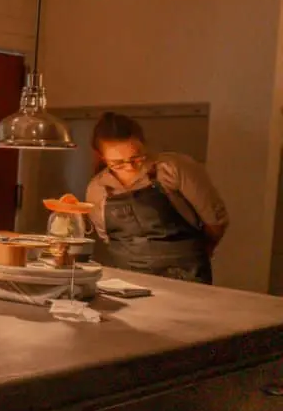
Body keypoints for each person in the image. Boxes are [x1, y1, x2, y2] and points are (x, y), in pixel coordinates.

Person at [85, 111, 228, 284]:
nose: (129, 166)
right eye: (117, 163)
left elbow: (215, 221)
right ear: (102, 157)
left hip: (186, 277)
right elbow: (108, 238)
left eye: (136, 157)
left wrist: (200, 252)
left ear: (143, 143)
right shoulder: (97, 190)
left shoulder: (172, 169)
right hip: (128, 280)